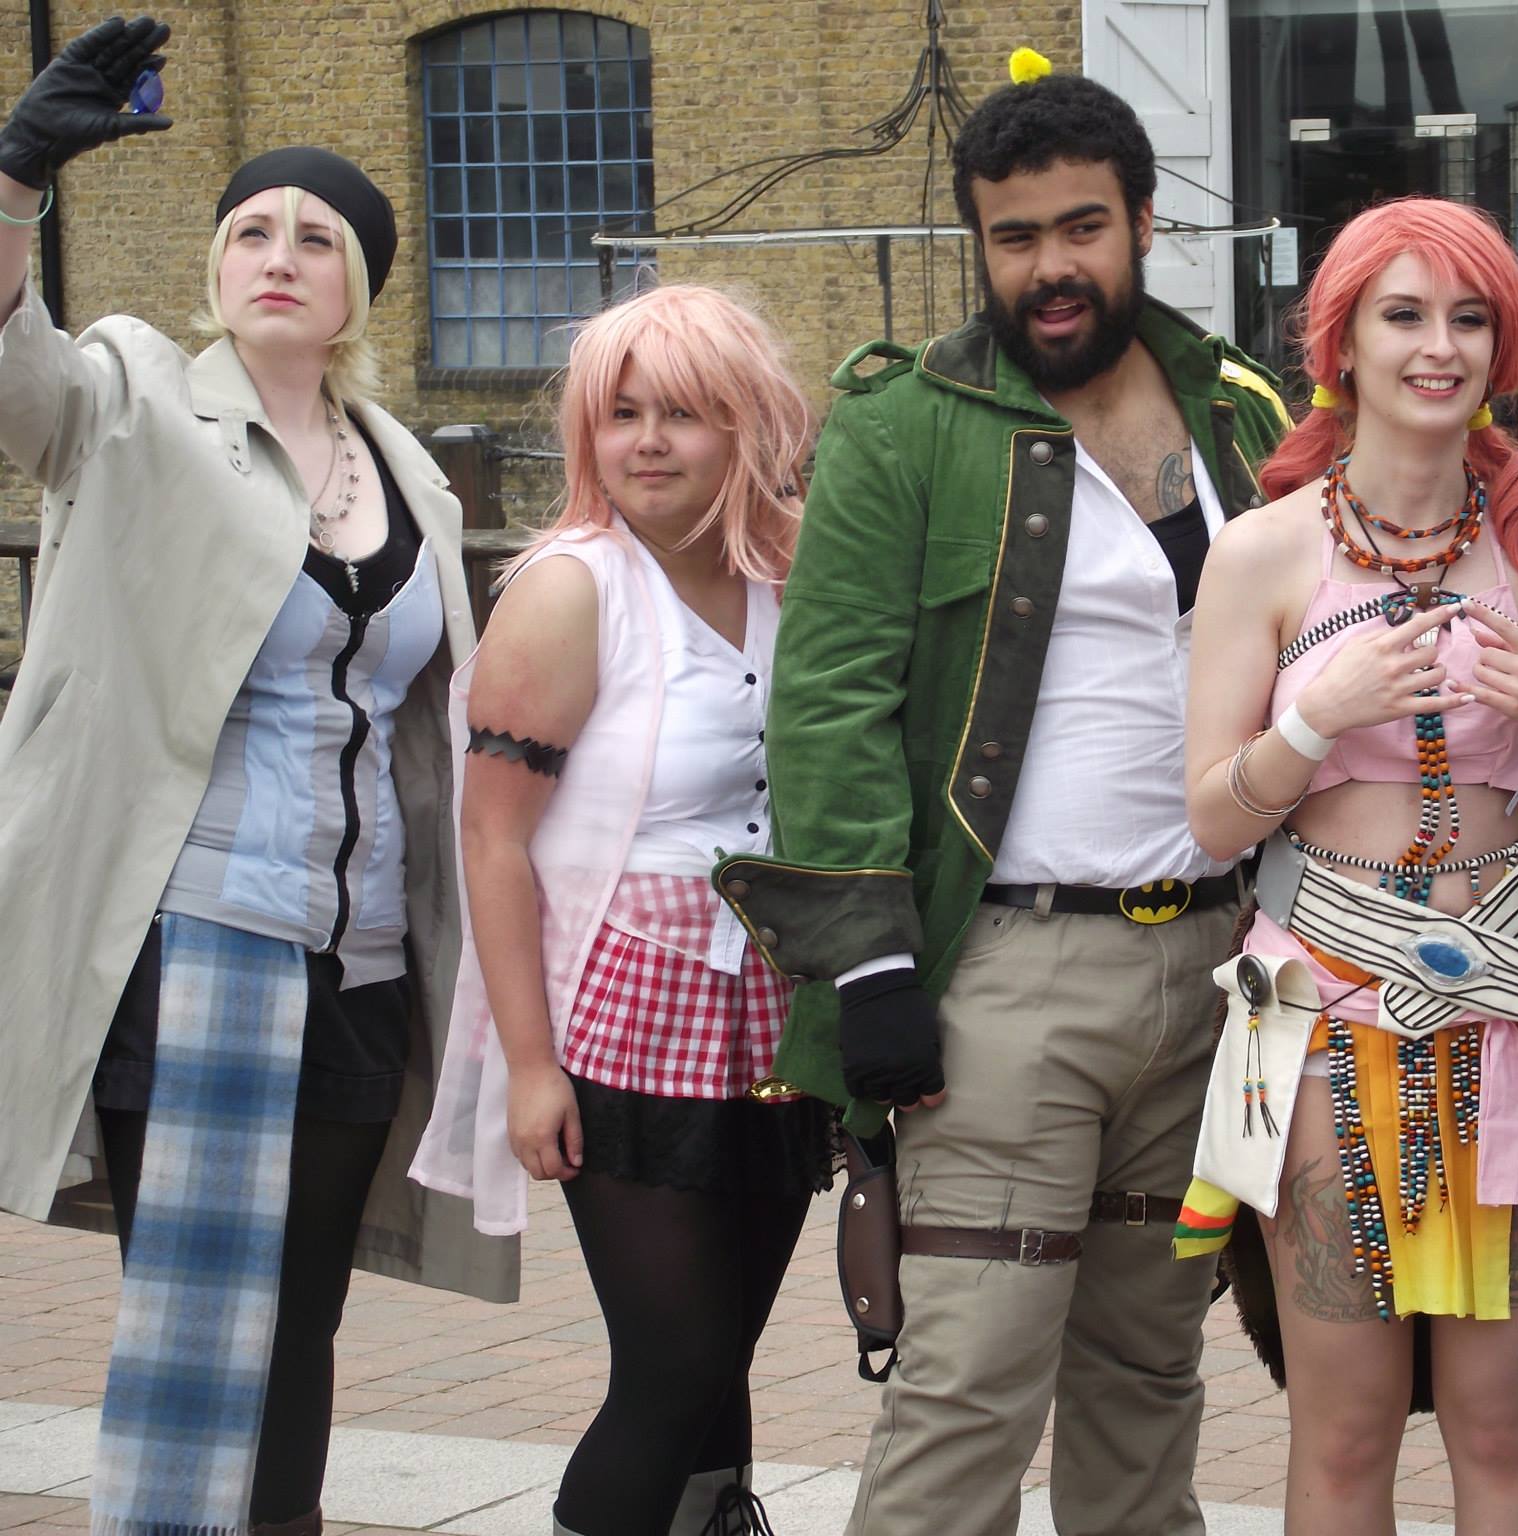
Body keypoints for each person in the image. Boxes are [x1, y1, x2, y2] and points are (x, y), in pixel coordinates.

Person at [711, 56, 1289, 1536]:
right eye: (1013, 235)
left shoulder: (1237, 413)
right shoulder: (902, 426)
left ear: (1143, 223)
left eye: (1080, 227)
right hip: (1009, 976)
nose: (1049, 267)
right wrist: (871, 965)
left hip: (1212, 962)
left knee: (1148, 1381)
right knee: (969, 1385)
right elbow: (828, 704)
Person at [0, 17, 515, 1535]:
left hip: (360, 959)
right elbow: (15, 376)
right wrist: (15, 182)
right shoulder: (134, 396)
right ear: (216, 269)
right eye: (249, 231)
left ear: (362, 284)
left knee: (300, 1321)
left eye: (315, 236)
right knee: (195, 1318)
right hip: (201, 935)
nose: (277, 255)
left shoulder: (406, 471)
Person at [1169, 197, 1518, 1536]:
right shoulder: (1261, 553)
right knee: (1342, 1434)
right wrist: (1315, 719)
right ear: (1343, 345)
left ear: (1504, 347)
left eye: (1470, 318)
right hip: (1311, 1021)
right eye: (1404, 315)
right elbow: (1210, 820)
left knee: (1502, 1429)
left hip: (1511, 1014)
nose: (1439, 347)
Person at [409, 282, 823, 1536]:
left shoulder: (792, 570)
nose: (645, 442)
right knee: (673, 1367)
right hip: (625, 1006)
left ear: (745, 423)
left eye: (681, 414)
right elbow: (491, 837)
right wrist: (530, 1067)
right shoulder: (570, 588)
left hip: (772, 1007)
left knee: (724, 1363)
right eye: (619, 413)